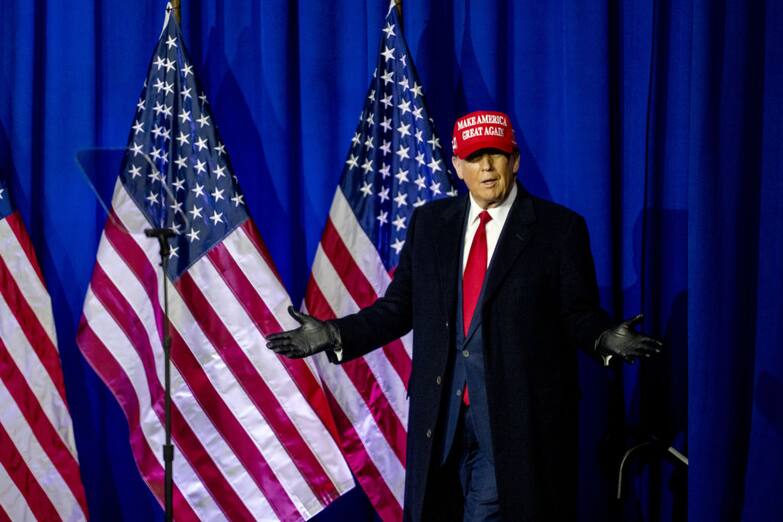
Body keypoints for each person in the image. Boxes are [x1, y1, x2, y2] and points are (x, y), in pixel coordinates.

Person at [267, 110, 661, 521]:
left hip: (516, 423)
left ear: (516, 160)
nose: (487, 167)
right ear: (458, 166)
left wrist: (603, 338)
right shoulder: (432, 224)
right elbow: (397, 309)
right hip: (441, 420)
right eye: (475, 157)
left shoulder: (558, 230)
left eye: (496, 155)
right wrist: (333, 333)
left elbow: (576, 313)